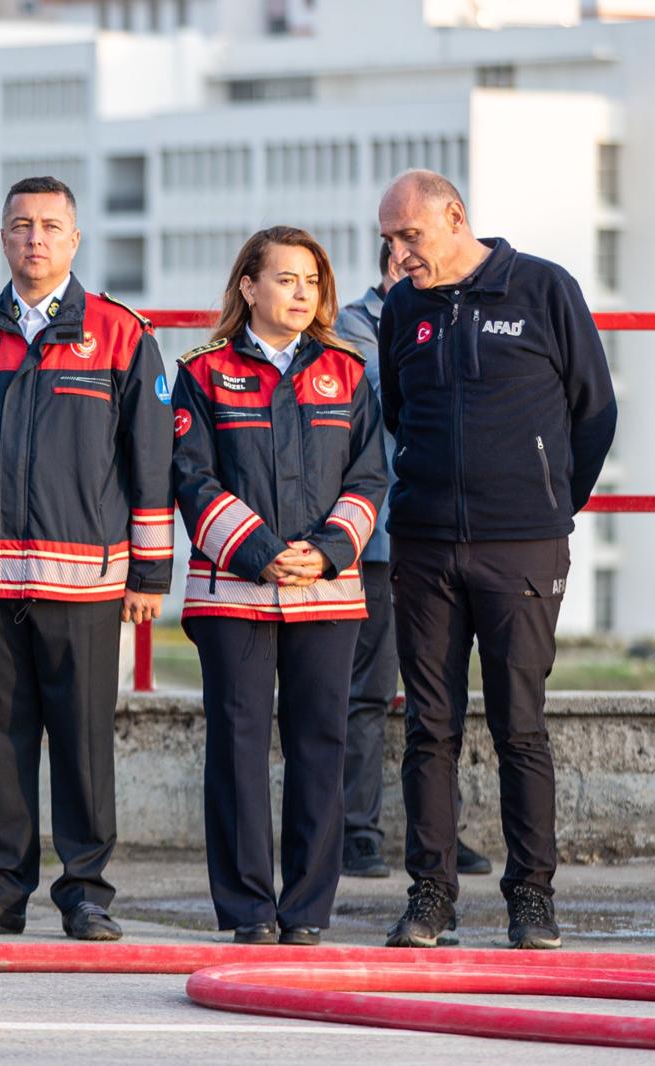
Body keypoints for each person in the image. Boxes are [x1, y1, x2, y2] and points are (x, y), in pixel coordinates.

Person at [0, 176, 173, 941]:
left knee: (84, 738)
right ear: (3, 238)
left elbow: (149, 462)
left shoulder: (123, 335)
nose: (36, 239)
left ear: (75, 240)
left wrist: (150, 574)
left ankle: (87, 891)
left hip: (85, 580)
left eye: (51, 226)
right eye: (21, 226)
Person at [377, 171, 616, 950]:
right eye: (389, 240)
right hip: (423, 544)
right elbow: (397, 415)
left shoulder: (544, 287)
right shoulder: (402, 309)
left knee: (521, 725)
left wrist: (546, 503)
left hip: (523, 545)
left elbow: (595, 412)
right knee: (429, 728)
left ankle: (531, 898)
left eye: (409, 235)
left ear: (453, 217)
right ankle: (432, 894)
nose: (399, 253)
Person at [171, 226, 386, 946]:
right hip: (233, 593)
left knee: (319, 744)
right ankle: (247, 910)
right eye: (287, 278)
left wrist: (325, 553)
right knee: (236, 745)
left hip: (327, 593)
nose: (302, 293)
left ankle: (305, 912)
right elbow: (191, 477)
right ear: (249, 288)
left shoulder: (349, 372)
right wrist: (260, 551)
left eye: (313, 281)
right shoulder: (200, 373)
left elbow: (369, 478)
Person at [336, 243, 493, 882]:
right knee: (368, 692)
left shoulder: (454, 316)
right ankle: (358, 833)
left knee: (441, 696)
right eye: (405, 261)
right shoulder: (353, 324)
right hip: (375, 538)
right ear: (389, 265)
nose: (416, 270)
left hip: (439, 532)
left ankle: (443, 838)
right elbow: (393, 386)